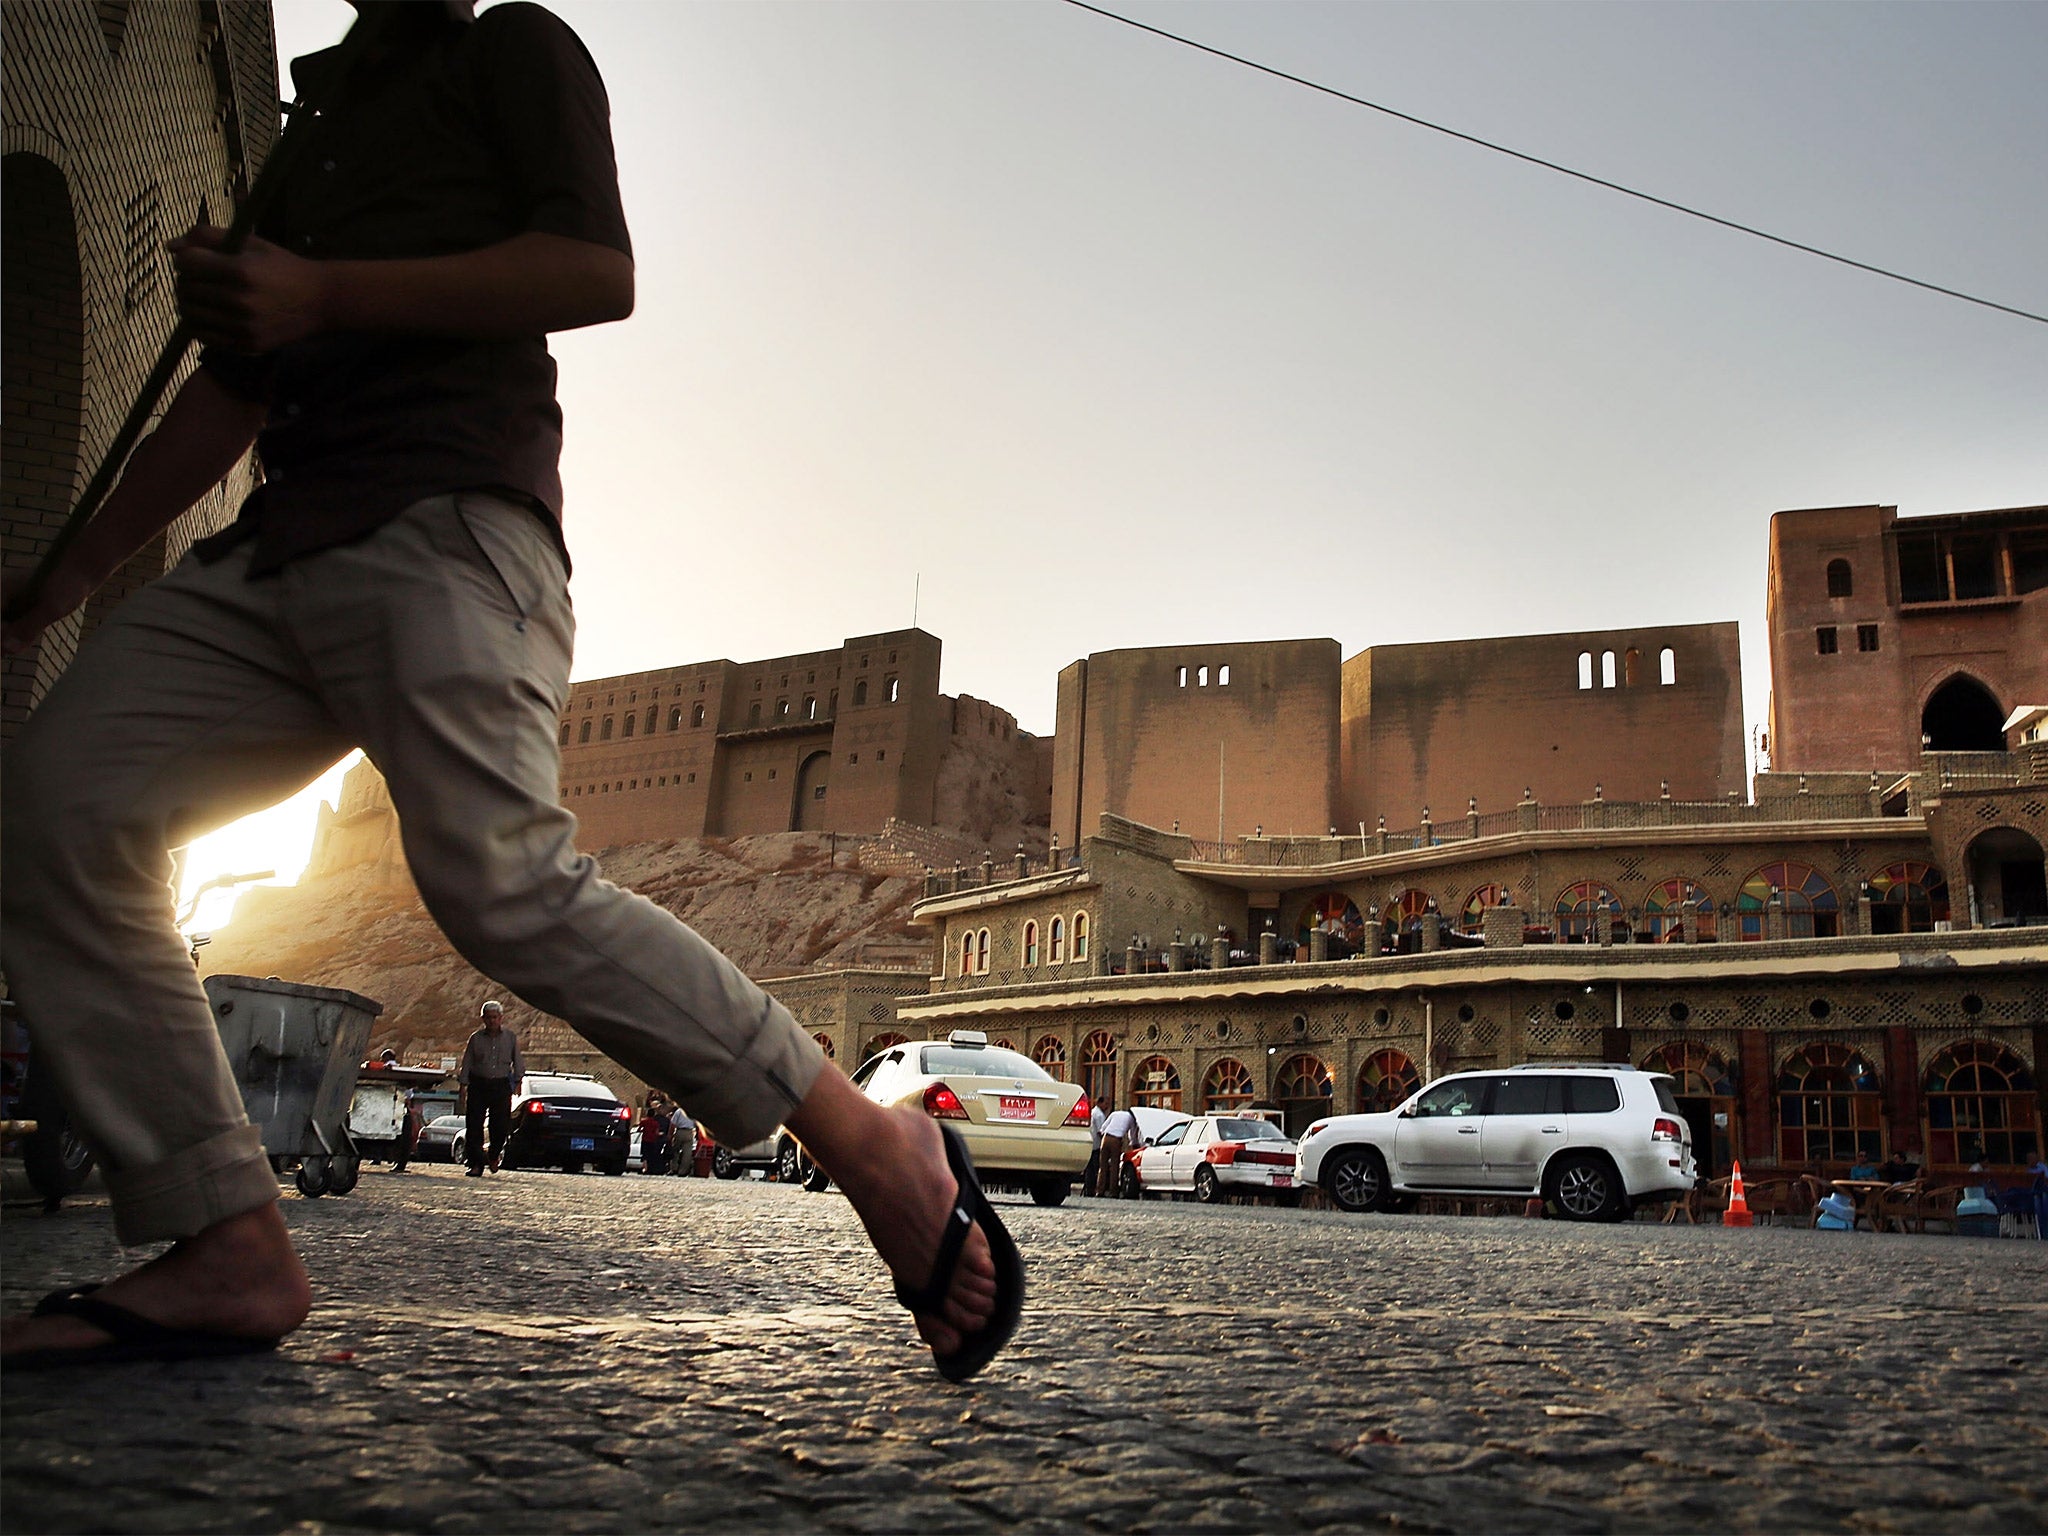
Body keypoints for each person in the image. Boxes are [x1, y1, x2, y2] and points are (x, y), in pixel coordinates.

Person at [1, 2, 1015, 1380]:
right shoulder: (306, 145)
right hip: (276, 550)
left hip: (448, 526)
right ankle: (221, 1234)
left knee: (499, 882)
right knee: (57, 809)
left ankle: (878, 1146)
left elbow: (595, 268)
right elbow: (227, 398)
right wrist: (69, 576)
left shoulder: (508, 52)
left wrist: (324, 294)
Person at [459, 1001, 523, 1176]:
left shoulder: (510, 1037)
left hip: (500, 1086)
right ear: (483, 1019)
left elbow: (517, 1060)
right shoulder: (476, 1038)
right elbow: (467, 1062)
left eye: (495, 1017)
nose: (492, 1021)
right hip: (478, 1084)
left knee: (500, 1126)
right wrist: (463, 1085)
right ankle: (476, 1164)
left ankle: (493, 1155)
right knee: (474, 1126)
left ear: (501, 1018)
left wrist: (518, 1080)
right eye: (489, 1018)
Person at [1096, 1102, 1144, 1198]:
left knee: (1103, 1166)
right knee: (1115, 1167)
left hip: (1105, 1138)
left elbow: (1103, 1127)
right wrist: (1135, 1145)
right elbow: (1132, 1135)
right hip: (1116, 1140)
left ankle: (1099, 1191)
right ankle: (1113, 1192)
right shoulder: (1131, 1119)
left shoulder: (1115, 1113)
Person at [1079, 1093, 1108, 1197]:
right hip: (1096, 1145)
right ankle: (1092, 1189)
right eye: (1105, 1103)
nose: (1107, 1106)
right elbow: (1101, 1131)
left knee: (1089, 1168)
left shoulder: (1092, 1112)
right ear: (1100, 1103)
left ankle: (1088, 1189)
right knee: (1094, 1168)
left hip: (1091, 1143)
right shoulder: (1099, 1115)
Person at [668, 1102, 698, 1177]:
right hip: (689, 1132)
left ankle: (674, 1168)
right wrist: (697, 1133)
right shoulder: (693, 1112)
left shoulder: (679, 1111)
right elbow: (697, 1124)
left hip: (680, 1131)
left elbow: (673, 1124)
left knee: (675, 1150)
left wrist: (670, 1135)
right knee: (687, 1153)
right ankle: (683, 1171)